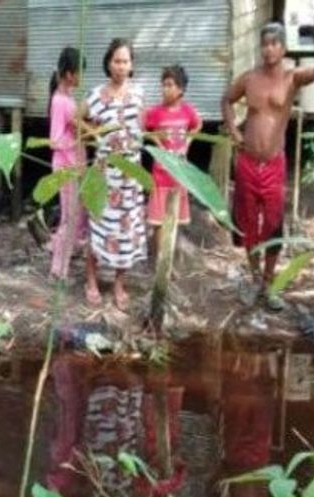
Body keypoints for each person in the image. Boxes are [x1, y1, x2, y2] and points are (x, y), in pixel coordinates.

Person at [221, 23, 314, 310]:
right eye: (265, 44)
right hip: (247, 163)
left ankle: (270, 283)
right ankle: (255, 281)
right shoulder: (249, 79)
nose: (269, 49)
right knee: (248, 223)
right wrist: (234, 132)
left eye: (275, 44)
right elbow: (226, 100)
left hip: (274, 164)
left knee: (273, 225)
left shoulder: (292, 78)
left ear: (284, 48)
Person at [82, 38, 147, 310]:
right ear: (108, 64)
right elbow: (76, 118)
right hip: (104, 175)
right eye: (117, 61)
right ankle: (91, 281)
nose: (121, 66)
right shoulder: (97, 96)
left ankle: (119, 284)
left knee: (126, 232)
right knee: (99, 228)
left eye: (126, 61)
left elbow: (141, 130)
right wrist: (94, 134)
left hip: (130, 177)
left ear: (131, 65)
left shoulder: (139, 94)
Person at [143, 64, 202, 257]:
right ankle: (161, 260)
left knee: (174, 218)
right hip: (160, 174)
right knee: (159, 221)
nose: (165, 89)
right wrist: (158, 145)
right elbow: (145, 128)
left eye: (170, 85)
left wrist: (188, 143)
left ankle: (168, 260)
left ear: (181, 89)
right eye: (163, 84)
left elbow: (197, 125)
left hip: (179, 175)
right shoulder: (156, 112)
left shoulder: (187, 111)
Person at [47, 46, 88, 281]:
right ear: (70, 74)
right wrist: (74, 137)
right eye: (80, 72)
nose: (81, 77)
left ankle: (63, 253)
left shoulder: (69, 98)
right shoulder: (60, 100)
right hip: (66, 167)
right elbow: (54, 141)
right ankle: (57, 271)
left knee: (78, 216)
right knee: (69, 218)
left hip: (76, 165)